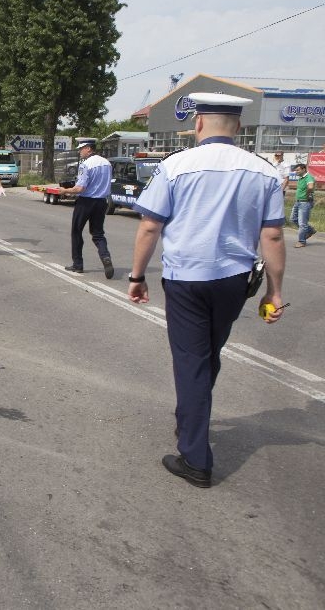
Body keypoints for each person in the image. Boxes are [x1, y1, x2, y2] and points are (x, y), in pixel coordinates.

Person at [127, 92, 286, 488]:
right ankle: (190, 420)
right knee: (208, 355)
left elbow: (150, 226)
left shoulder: (175, 166)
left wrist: (137, 276)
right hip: (234, 281)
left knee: (191, 361)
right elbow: (272, 236)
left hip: (186, 279)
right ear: (238, 126)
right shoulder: (264, 171)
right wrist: (274, 292)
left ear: (198, 123)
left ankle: (195, 459)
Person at [56, 139, 114, 278]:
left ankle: (78, 264)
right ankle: (105, 256)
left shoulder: (86, 164)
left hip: (86, 202)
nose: (79, 152)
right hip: (101, 202)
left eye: (81, 149)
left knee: (76, 232)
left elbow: (80, 188)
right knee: (98, 234)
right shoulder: (107, 163)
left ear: (88, 148)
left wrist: (65, 191)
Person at [289, 162, 317, 247]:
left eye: (298, 170)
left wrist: (307, 194)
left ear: (304, 169)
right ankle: (310, 230)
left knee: (302, 223)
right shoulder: (301, 178)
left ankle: (302, 241)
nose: (296, 172)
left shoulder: (308, 177)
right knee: (293, 219)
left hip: (305, 203)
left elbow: (310, 187)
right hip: (298, 202)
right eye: (295, 170)